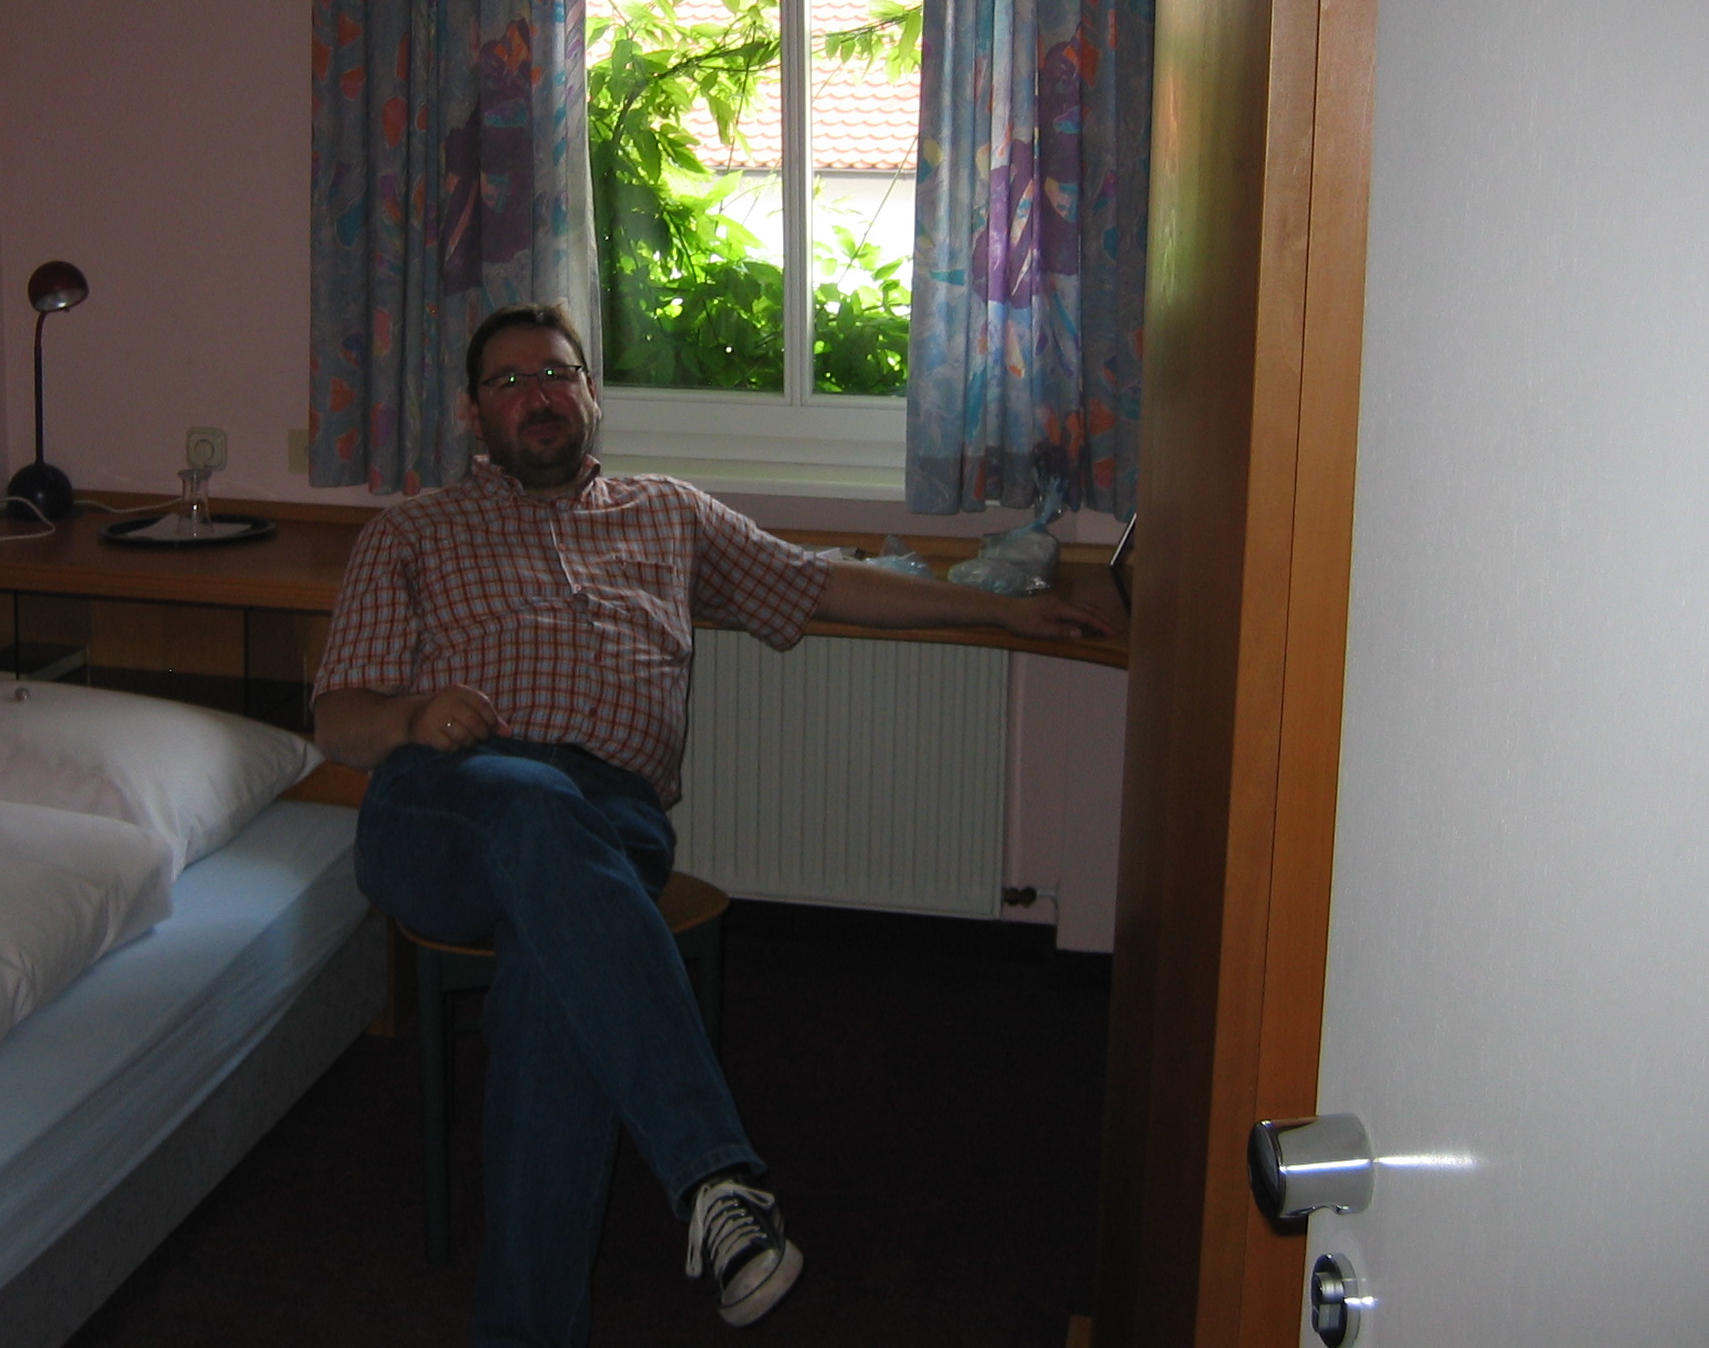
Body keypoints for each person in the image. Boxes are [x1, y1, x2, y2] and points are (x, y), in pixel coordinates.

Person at [311, 304, 1120, 1348]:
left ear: (591, 393)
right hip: (445, 801)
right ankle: (713, 1178)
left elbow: (820, 584)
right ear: (474, 412)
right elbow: (339, 719)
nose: (537, 396)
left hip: (610, 817)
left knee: (553, 993)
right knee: (536, 810)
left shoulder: (668, 513)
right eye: (508, 382)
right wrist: (416, 715)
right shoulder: (411, 531)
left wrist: (1001, 609)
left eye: (555, 373)